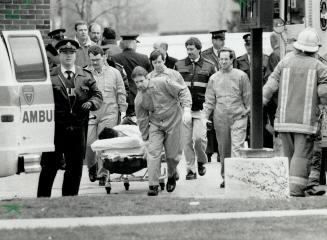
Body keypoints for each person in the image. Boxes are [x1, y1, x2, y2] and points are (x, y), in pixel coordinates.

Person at [262, 28, 327, 197]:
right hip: (305, 123)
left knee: (288, 155)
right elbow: (324, 94)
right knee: (301, 156)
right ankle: (296, 190)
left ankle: (285, 187)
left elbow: (269, 87)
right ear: (314, 49)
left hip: (283, 120)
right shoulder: (320, 67)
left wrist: (259, 104)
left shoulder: (284, 62)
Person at [37, 39, 103, 197]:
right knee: (49, 166)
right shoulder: (49, 75)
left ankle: (70, 199)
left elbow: (98, 95)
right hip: (55, 129)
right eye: (64, 53)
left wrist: (92, 102)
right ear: (59, 55)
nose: (68, 56)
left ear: (75, 55)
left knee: (74, 168)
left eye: (71, 53)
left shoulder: (85, 75)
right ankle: (42, 199)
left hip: (78, 128)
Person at [133, 66, 192, 196]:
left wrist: (187, 108)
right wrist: (146, 138)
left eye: (141, 81)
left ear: (148, 78)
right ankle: (153, 185)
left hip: (174, 120)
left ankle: (171, 174)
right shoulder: (139, 99)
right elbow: (142, 119)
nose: (139, 84)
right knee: (153, 153)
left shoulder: (163, 82)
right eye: (136, 82)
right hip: (156, 124)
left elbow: (183, 90)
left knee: (172, 155)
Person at [203, 47, 250, 189]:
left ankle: (236, 177)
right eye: (221, 59)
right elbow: (210, 100)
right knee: (224, 150)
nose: (223, 61)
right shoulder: (213, 78)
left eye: (226, 59)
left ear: (232, 60)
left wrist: (246, 112)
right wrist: (205, 117)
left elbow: (247, 97)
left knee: (237, 148)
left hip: (238, 117)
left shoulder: (241, 76)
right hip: (220, 119)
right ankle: (226, 177)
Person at [85, 45, 127, 185]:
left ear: (104, 57)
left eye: (97, 59)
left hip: (110, 112)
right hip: (91, 113)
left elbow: (121, 92)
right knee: (89, 143)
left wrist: (123, 110)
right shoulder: (85, 72)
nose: (95, 62)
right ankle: (92, 166)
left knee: (104, 143)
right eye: (92, 60)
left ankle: (103, 173)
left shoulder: (115, 72)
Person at [175, 37, 216, 180]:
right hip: (184, 109)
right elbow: (175, 88)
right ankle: (190, 170)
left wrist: (210, 110)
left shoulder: (209, 66)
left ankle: (201, 161)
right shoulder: (178, 65)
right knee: (186, 142)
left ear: (199, 49)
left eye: (192, 49)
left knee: (198, 139)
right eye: (187, 49)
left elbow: (213, 89)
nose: (189, 51)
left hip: (201, 110)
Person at [234, 33, 271, 148]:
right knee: (246, 126)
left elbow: (268, 79)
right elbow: (236, 81)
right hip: (244, 100)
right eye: (248, 44)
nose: (250, 47)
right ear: (245, 46)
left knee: (261, 125)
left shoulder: (266, 59)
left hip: (260, 99)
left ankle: (261, 148)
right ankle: (250, 149)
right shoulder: (239, 61)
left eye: (252, 44)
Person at [202, 30, 227, 163]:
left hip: (224, 92)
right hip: (210, 90)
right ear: (213, 40)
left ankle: (220, 151)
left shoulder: (228, 53)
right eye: (219, 39)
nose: (222, 42)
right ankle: (209, 151)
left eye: (223, 39)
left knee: (221, 122)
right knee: (209, 121)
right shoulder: (205, 54)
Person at [112, 34, 152, 116]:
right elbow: (150, 78)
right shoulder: (144, 58)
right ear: (133, 44)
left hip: (122, 97)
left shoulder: (115, 58)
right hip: (140, 95)